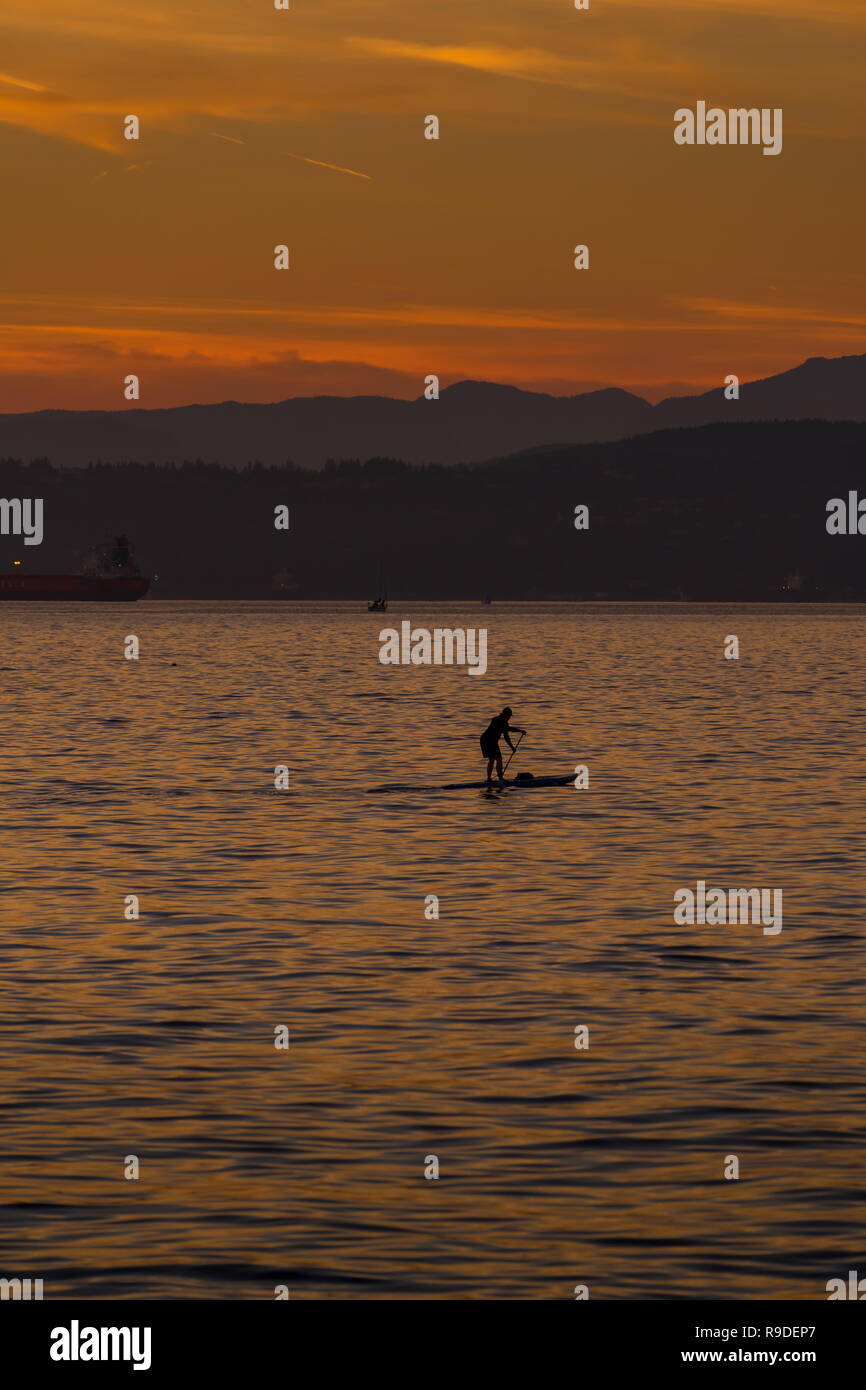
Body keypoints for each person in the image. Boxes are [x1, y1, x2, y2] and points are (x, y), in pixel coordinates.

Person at [480, 707, 526, 784]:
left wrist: (512, 748)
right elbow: (509, 729)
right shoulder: (500, 720)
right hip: (489, 741)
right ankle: (500, 778)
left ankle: (489, 779)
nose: (509, 718)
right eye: (509, 716)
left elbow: (506, 737)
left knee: (492, 759)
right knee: (499, 758)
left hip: (485, 740)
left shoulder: (501, 721)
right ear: (505, 714)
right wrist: (520, 731)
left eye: (510, 716)